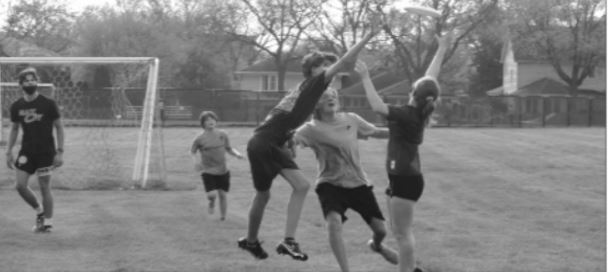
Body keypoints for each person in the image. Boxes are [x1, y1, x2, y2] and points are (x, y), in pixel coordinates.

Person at [237, 23, 382, 261]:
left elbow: (281, 122)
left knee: (295, 187)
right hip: (263, 143)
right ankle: (275, 241)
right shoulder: (314, 84)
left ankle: (259, 241)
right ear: (313, 70)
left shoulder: (308, 90)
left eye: (328, 65)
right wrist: (369, 35)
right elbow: (346, 61)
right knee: (274, 193)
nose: (329, 70)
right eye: (323, 66)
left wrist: (288, 142)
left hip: (268, 142)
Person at [355, 33, 451, 272]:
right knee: (399, 232)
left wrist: (366, 77)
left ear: (413, 93)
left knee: (403, 234)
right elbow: (431, 78)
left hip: (405, 181)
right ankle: (409, 267)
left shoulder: (407, 114)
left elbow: (377, 105)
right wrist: (442, 49)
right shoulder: (418, 110)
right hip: (403, 179)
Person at [292, 87, 397, 272]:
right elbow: (292, 140)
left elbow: (376, 132)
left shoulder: (351, 119)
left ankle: (377, 245)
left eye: (333, 96)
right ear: (317, 104)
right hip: (330, 184)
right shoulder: (310, 128)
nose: (331, 98)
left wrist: (405, 129)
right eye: (325, 97)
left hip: (358, 183)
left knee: (381, 231)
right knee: (334, 223)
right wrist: (283, 142)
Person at [5, 67, 65, 233]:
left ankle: (48, 223)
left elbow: (59, 127)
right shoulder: (16, 106)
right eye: (27, 81)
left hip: (46, 152)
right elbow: (15, 129)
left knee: (45, 187)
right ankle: (39, 211)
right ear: (21, 84)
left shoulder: (48, 104)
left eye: (33, 80)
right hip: (27, 152)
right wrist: (9, 151)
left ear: (37, 82)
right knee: (20, 185)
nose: (30, 83)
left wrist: (60, 152)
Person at [191, 111, 245, 221]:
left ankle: (222, 218)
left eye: (212, 119)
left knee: (222, 194)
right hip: (208, 171)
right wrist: (196, 162)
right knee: (212, 195)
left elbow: (229, 148)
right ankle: (211, 202)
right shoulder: (199, 139)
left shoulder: (223, 134)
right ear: (203, 123)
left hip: (223, 170)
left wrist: (237, 154)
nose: (210, 121)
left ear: (216, 121)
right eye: (207, 120)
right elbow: (192, 152)